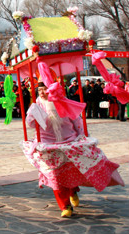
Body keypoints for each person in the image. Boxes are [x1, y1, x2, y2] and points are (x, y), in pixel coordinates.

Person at [23, 81, 124, 218]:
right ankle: (65, 205)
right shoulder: (36, 106)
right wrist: (32, 116)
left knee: (71, 171)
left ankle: (72, 191)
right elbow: (30, 124)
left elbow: (76, 121)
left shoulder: (63, 103)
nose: (42, 92)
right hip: (49, 145)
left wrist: (82, 137)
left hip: (70, 142)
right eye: (39, 90)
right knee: (55, 176)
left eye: (45, 89)